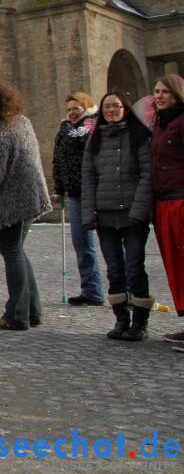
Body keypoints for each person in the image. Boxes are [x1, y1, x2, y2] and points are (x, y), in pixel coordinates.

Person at [0, 82, 52, 331]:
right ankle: (32, 310)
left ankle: (17, 314)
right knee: (18, 252)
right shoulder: (21, 123)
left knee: (13, 254)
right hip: (29, 197)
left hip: (11, 203)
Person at [82, 92, 154, 341]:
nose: (111, 110)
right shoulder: (95, 140)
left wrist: (139, 210)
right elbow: (89, 177)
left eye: (116, 106)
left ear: (125, 108)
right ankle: (121, 319)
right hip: (105, 214)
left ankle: (140, 323)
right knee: (114, 269)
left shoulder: (140, 136)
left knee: (134, 267)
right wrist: (89, 212)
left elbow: (147, 174)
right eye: (107, 107)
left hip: (132, 213)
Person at [51, 92, 105, 306]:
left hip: (97, 192)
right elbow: (59, 160)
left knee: (111, 243)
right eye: (70, 109)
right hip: (75, 194)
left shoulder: (94, 128)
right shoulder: (64, 130)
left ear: (87, 108)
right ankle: (91, 290)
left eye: (77, 108)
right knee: (81, 243)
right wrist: (59, 188)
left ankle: (126, 291)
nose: (72, 112)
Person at [151, 74, 184, 341]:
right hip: (163, 201)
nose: (159, 96)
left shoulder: (182, 121)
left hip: (180, 201)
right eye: (156, 91)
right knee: (175, 265)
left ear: (176, 94)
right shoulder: (159, 124)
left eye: (164, 91)